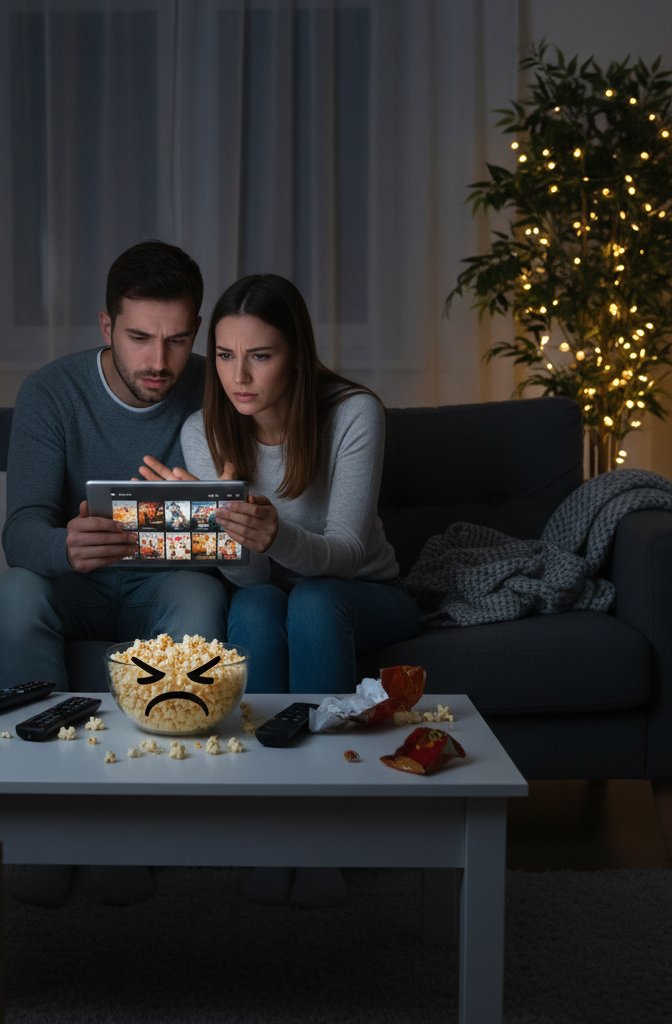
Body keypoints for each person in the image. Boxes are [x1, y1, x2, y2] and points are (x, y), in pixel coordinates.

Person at [141, 273, 421, 907]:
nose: (240, 376)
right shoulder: (202, 431)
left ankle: (324, 839)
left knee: (315, 602)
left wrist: (272, 532)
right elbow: (254, 577)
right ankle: (270, 832)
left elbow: (346, 554)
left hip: (364, 591)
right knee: (257, 602)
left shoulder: (352, 412)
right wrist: (226, 537)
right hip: (272, 590)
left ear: (296, 352)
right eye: (228, 356)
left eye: (261, 356)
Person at [0, 239, 228, 906]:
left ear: (197, 331)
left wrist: (200, 521)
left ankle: (138, 828)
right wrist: (63, 546)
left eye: (178, 340)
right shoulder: (50, 392)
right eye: (141, 338)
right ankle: (42, 826)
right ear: (106, 327)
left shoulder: (217, 384)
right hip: (78, 585)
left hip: (167, 582)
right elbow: (20, 531)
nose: (159, 362)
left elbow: (238, 524)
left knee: (199, 600)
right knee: (15, 592)